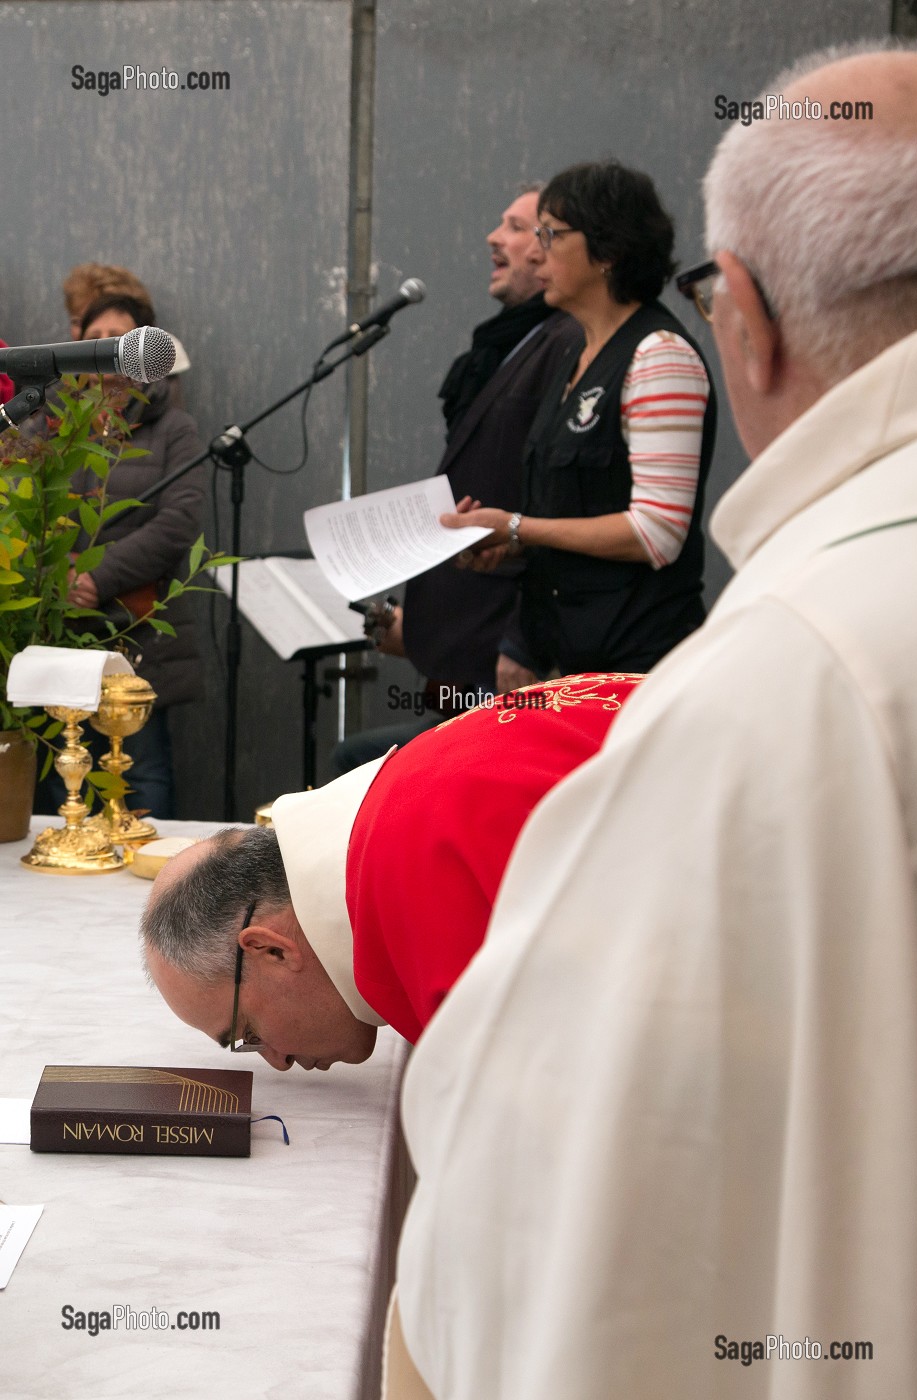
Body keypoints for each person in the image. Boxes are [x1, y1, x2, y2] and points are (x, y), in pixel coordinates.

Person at [388, 46, 917, 1400]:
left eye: (546, 228)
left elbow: (589, 1188)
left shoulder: (784, 684)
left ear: (738, 318)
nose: (521, 243)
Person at [141, 673, 641, 1062]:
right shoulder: (398, 804)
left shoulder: (421, 900)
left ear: (271, 949)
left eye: (248, 1033)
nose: (277, 1061)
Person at [332, 187, 581, 774]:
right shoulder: (512, 342)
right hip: (459, 647)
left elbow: (543, 501)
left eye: (518, 227)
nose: (495, 238)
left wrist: (520, 641)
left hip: (501, 652)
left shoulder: (566, 342)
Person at [443, 160, 716, 676]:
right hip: (570, 660)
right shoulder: (577, 353)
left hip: (637, 669)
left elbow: (656, 533)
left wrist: (519, 527)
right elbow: (573, 509)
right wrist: (505, 541)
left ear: (609, 251)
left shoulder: (660, 356)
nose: (537, 250)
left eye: (551, 233)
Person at [47, 292, 206, 817]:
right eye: (94, 341)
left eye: (118, 340)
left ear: (142, 351)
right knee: (63, 772)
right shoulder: (49, 426)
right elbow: (27, 510)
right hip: (60, 631)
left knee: (143, 771)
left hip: (135, 631)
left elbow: (179, 520)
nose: (105, 351)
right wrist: (56, 579)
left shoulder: (172, 428)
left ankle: (156, 893)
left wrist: (99, 577)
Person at [62, 261, 191, 398]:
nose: (84, 331)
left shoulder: (160, 364)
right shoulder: (62, 378)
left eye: (93, 317)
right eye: (76, 322)